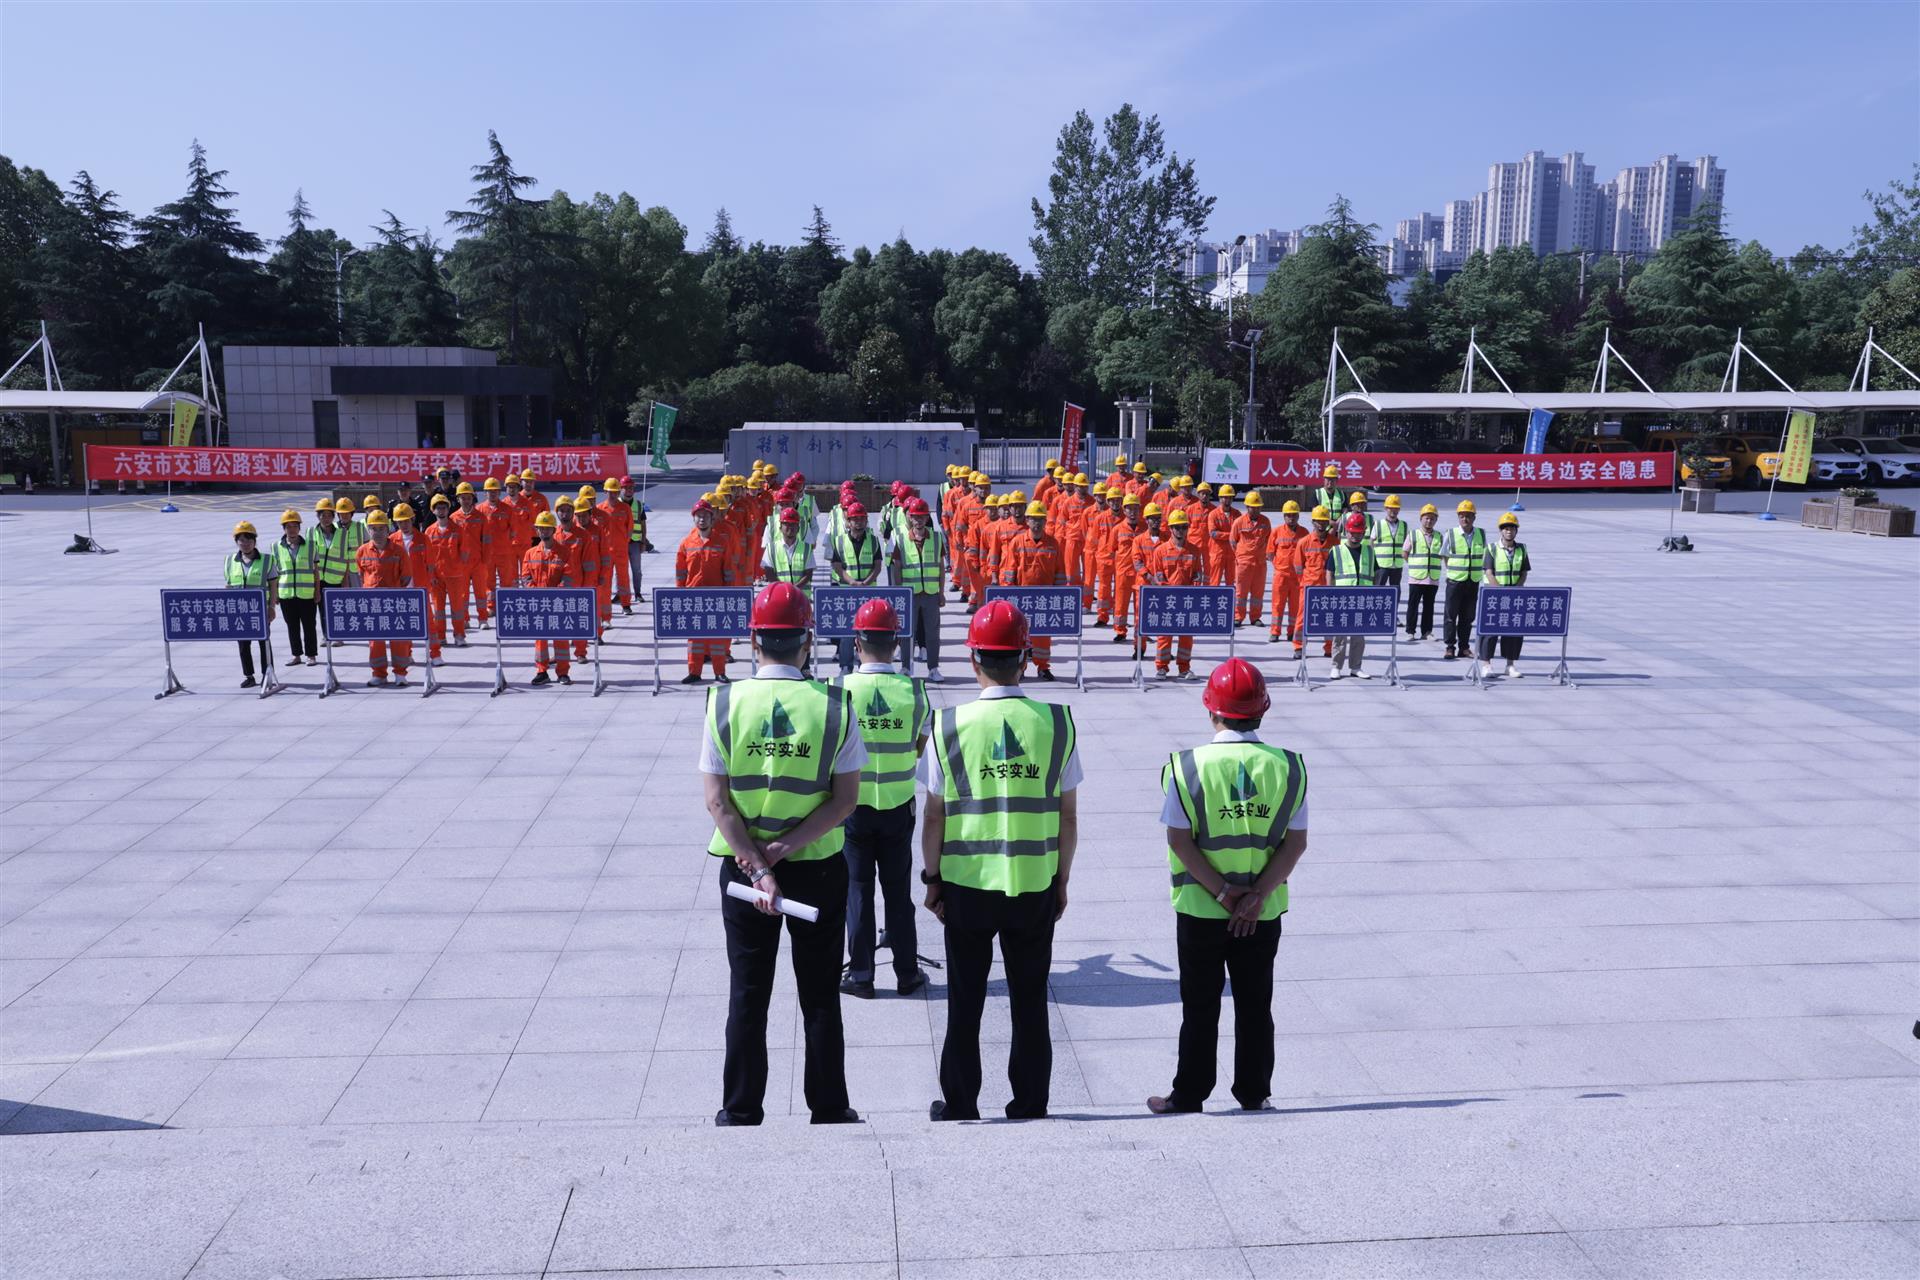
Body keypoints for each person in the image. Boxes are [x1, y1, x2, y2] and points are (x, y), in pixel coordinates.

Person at [702, 581, 866, 1127]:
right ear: (807, 641)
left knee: (748, 993)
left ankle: (741, 1107)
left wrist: (758, 866)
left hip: (743, 875)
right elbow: (845, 800)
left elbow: (717, 802)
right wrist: (783, 849)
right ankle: (829, 1106)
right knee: (820, 994)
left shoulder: (724, 703)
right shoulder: (836, 707)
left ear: (754, 640)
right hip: (817, 870)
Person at [920, 601, 1081, 1122]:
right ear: (1026, 658)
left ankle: (961, 1101)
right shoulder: (1056, 724)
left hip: (966, 883)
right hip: (1034, 881)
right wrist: (1061, 880)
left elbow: (934, 818)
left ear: (974, 659)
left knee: (965, 998)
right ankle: (1030, 1100)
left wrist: (933, 879)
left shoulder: (948, 726)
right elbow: (1068, 817)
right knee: (1030, 998)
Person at [1146, 659, 1308, 1116]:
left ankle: (1189, 1093)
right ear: (1263, 709)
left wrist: (1223, 893)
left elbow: (1179, 840)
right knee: (1256, 1003)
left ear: (1210, 708)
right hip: (1262, 912)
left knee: (1200, 1004)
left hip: (1202, 908)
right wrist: (1255, 896)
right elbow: (1296, 842)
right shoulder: (1289, 768)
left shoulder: (1186, 767)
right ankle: (1254, 1092)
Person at [832, 598, 931, 1000]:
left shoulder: (838, 691)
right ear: (895, 644)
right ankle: (907, 973)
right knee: (897, 891)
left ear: (857, 643)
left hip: (851, 809)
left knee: (857, 891)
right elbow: (920, 746)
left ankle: (861, 975)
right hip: (898, 806)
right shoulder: (915, 693)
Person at [999, 499, 1068, 682]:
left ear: (1045, 521)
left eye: (1040, 519)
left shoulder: (1053, 543)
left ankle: (1043, 667)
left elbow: (1060, 573)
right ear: (1027, 520)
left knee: (1042, 637)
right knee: (1020, 635)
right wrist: (1010, 596)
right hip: (1022, 598)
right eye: (1033, 519)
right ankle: (1020, 668)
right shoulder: (1017, 542)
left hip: (1044, 599)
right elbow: (1009, 572)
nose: (1037, 523)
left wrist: (1059, 595)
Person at [677, 497, 737, 685]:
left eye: (705, 516)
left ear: (712, 518)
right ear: (693, 518)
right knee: (695, 638)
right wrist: (680, 594)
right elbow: (681, 572)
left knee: (717, 637)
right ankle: (694, 672)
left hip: (716, 597)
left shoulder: (721, 541)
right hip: (693, 597)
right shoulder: (686, 542)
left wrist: (728, 595)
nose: (702, 519)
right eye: (698, 516)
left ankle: (720, 672)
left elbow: (728, 571)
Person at [355, 510, 414, 688]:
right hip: (372, 605)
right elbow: (361, 576)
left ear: (388, 530)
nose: (378, 532)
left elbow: (406, 577)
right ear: (369, 530)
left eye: (382, 528)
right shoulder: (362, 551)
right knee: (375, 642)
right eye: (374, 529)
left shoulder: (399, 551)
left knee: (398, 640)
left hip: (394, 603)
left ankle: (400, 673)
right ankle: (379, 674)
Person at [1146, 508, 1206, 680]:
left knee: (1186, 636)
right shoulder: (1160, 551)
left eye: (1184, 527)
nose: (1181, 530)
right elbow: (1159, 576)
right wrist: (1171, 592)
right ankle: (1161, 667)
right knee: (1164, 635)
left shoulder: (1194, 551)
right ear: (1170, 529)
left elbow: (1197, 574)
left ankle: (1184, 668)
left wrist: (1193, 588)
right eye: (1177, 527)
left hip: (1187, 600)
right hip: (1168, 600)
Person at [894, 497, 946, 682]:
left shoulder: (936, 538)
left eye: (922, 516)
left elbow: (941, 568)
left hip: (931, 594)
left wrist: (941, 592)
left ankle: (933, 668)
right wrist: (900, 593)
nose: (918, 520)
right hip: (910, 594)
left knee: (933, 633)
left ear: (927, 518)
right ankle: (906, 667)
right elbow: (897, 568)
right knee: (907, 632)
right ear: (910, 517)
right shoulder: (901, 539)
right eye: (915, 517)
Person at [830, 502, 884, 675]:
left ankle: (865, 665)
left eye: (861, 519)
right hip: (847, 592)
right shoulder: (839, 541)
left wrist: (866, 582)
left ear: (866, 521)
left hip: (868, 592)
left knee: (867, 631)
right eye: (855, 519)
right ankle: (846, 666)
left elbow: (877, 566)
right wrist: (852, 582)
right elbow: (837, 567)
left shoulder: (873, 540)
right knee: (847, 632)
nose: (858, 522)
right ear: (848, 522)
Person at [223, 521, 279, 688]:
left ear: (255, 541)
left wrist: (272, 607)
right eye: (241, 540)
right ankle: (249, 676)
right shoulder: (230, 561)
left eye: (248, 540)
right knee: (243, 643)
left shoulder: (267, 560)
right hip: (239, 611)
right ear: (236, 542)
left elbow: (273, 585)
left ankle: (267, 673)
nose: (245, 543)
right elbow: (228, 586)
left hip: (260, 609)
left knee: (264, 642)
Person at [1327, 512, 1382, 680]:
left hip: (1362, 599)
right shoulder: (1336, 551)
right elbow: (1329, 573)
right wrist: (1331, 594)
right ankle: (1336, 666)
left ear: (1363, 532)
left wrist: (1374, 591)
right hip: (1342, 599)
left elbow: (1376, 573)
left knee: (1358, 636)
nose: (1355, 536)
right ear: (1346, 531)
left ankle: (1356, 667)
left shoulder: (1369, 551)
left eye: (1359, 533)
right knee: (1340, 636)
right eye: (1352, 532)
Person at [521, 511, 574, 686]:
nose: (543, 531)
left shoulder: (564, 552)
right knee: (540, 639)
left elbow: (568, 577)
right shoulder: (530, 553)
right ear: (537, 530)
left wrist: (555, 594)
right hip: (539, 603)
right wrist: (536, 594)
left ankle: (563, 672)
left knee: (561, 639)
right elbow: (525, 577)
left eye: (547, 528)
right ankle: (541, 671)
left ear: (553, 530)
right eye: (540, 528)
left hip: (558, 603)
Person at [1480, 512, 1532, 678]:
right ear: (1501, 531)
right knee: (1490, 631)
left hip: (1514, 596)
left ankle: (1510, 665)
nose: (1509, 531)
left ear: (1516, 531)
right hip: (1495, 596)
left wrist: (1516, 589)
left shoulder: (1522, 549)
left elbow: (1524, 572)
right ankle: (1486, 664)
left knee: (1513, 630)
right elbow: (1489, 573)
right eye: (1506, 528)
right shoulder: (1492, 548)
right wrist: (1500, 591)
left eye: (1512, 528)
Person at [271, 508, 319, 666]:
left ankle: (311, 655)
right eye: (288, 527)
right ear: (283, 529)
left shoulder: (311, 546)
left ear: (299, 528)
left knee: (309, 625)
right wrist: (275, 594)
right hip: (286, 594)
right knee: (292, 626)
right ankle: (296, 655)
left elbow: (316, 571)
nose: (291, 530)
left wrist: (317, 591)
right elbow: (274, 573)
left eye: (294, 526)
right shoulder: (276, 547)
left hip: (307, 594)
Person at [1440, 500, 1486, 660]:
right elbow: (1445, 555)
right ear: (1458, 517)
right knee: (1450, 615)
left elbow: (1484, 555)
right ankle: (1450, 647)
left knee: (1468, 616)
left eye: (1468, 516)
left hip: (1473, 581)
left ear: (1474, 517)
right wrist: (1454, 570)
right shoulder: (1451, 534)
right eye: (1462, 516)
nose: (1465, 519)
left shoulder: (1481, 534)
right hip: (1455, 581)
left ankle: (1464, 647)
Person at [1289, 505, 1336, 662]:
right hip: (1309, 587)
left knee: (1329, 618)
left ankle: (1329, 647)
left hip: (1328, 588)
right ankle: (1298, 646)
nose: (1321, 525)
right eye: (1318, 521)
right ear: (1313, 522)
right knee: (1302, 617)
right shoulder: (1304, 542)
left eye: (1324, 521)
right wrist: (1305, 582)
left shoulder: (1335, 543)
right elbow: (1298, 567)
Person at [424, 494, 469, 654]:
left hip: (454, 575)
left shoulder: (458, 529)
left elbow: (464, 552)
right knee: (439, 609)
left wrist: (460, 569)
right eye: (438, 508)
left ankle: (459, 635)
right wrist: (431, 576)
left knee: (457, 608)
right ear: (433, 510)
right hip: (436, 577)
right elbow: (427, 557)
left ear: (448, 509)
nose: (441, 510)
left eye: (443, 507)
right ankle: (441, 636)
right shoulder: (429, 532)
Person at [449, 482, 492, 630]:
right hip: (461, 563)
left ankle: (483, 619)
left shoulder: (481, 517)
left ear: (473, 498)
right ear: (458, 499)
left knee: (481, 592)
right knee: (462, 593)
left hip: (478, 561)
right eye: (463, 498)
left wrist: (485, 559)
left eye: (468, 498)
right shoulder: (453, 518)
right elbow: (451, 543)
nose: (466, 501)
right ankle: (465, 619)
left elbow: (486, 539)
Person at [311, 497, 352, 647]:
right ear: (318, 516)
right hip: (319, 578)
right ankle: (326, 635)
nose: (326, 518)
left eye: (329, 515)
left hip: (336, 578)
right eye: (323, 515)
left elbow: (346, 558)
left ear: (334, 517)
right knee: (322, 609)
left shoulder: (342, 533)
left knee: (337, 609)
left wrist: (345, 580)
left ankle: (339, 636)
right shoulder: (311, 533)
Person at [1266, 501, 1308, 645]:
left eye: (1294, 515)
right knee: (1277, 605)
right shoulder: (1276, 531)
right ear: (1284, 516)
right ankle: (1275, 632)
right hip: (1281, 575)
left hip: (1297, 577)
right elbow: (1270, 553)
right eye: (1288, 515)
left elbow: (1307, 555)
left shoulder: (1304, 533)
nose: (1291, 518)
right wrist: (1279, 566)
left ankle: (1292, 632)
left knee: (1295, 607)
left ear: (1298, 516)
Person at [1229, 489, 1271, 627]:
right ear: (1247, 507)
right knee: (1241, 592)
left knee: (1258, 593)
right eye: (1253, 507)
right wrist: (1242, 555)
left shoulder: (1265, 522)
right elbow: (1233, 541)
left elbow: (1269, 540)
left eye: (1258, 507)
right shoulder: (1239, 522)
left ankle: (1255, 617)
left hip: (1260, 564)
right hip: (1243, 564)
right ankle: (1238, 617)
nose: (1256, 510)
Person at [1108, 493, 1146, 643]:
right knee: (1120, 604)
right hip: (1123, 572)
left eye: (1135, 508)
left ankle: (1141, 631)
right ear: (1124, 510)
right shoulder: (1117, 529)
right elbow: (1112, 549)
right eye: (1129, 508)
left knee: (1140, 605)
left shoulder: (1145, 528)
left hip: (1141, 573)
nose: (1132, 512)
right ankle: (1120, 630)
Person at [1081, 483, 1120, 624]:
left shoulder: (1124, 518)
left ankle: (1117, 612)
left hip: (1119, 558)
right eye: (1112, 500)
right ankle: (1102, 615)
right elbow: (1091, 536)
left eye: (1117, 500)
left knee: (1119, 588)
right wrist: (1100, 551)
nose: (1115, 503)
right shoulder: (1098, 517)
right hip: (1102, 557)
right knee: (1103, 586)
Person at [1404, 503, 1443, 642]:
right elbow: (1405, 552)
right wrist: (1415, 564)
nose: (1429, 521)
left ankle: (1427, 631)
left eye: (1432, 518)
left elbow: (1442, 555)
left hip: (1432, 578)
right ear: (1421, 519)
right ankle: (1410, 631)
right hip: (1416, 577)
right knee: (1413, 605)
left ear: (1436, 520)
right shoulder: (1413, 534)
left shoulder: (1439, 536)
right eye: (1426, 518)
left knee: (1429, 606)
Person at [1371, 494, 1407, 590]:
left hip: (1397, 565)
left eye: (1396, 508)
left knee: (1395, 591)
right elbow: (1371, 542)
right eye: (1391, 508)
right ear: (1386, 508)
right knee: (1378, 590)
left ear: (1399, 509)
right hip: (1381, 565)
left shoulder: (1404, 525)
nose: (1393, 511)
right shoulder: (1378, 524)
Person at [1208, 486, 1238, 588]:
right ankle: (1212, 598)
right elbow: (1213, 533)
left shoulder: (1237, 514)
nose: (1227, 500)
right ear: (1220, 498)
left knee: (1231, 583)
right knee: (1214, 583)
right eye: (1225, 497)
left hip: (1232, 553)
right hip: (1217, 553)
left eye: (1229, 497)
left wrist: (1224, 535)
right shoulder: (1213, 514)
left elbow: (1240, 533)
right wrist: (1231, 535)